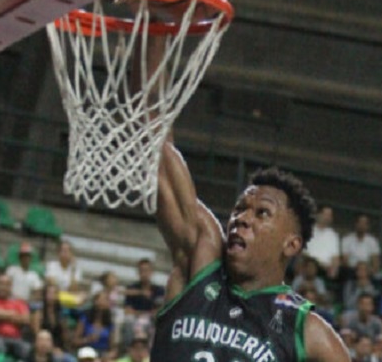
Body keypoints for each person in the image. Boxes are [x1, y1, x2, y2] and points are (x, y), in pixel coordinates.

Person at [149, 139, 348, 360]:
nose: (242, 218)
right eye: (240, 209)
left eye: (262, 213)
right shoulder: (200, 262)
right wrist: (157, 118)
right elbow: (162, 163)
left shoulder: (305, 330)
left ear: (291, 244)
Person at [0, 274, 32, 360]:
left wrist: (1, 315)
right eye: (1, 284)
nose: (3, 287)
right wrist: (13, 314)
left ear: (11, 287)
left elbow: (26, 319)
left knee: (27, 349)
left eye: (7, 285)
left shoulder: (19, 303)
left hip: (16, 339)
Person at [32, 283, 72, 362]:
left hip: (59, 347)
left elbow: (64, 335)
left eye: (54, 293)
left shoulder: (61, 314)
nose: (52, 296)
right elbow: (37, 334)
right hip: (42, 347)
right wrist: (51, 349)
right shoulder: (39, 313)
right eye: (49, 293)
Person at [74, 291, 116, 359]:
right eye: (105, 299)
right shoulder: (85, 319)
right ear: (96, 301)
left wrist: (109, 355)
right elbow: (75, 341)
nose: (107, 302)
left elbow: (112, 347)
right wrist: (87, 339)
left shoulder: (109, 323)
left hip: (103, 354)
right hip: (87, 353)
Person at [306, 204, 340, 280]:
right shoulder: (309, 230)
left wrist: (334, 268)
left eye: (330, 215)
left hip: (325, 270)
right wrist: (318, 263)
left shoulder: (333, 235)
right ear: (319, 214)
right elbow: (303, 252)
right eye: (326, 214)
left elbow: (335, 257)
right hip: (309, 265)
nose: (327, 217)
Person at [46, 241, 85, 306]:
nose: (65, 253)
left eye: (67, 251)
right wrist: (64, 293)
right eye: (63, 251)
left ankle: (67, 303)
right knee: (52, 291)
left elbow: (74, 290)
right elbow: (52, 284)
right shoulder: (52, 265)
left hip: (67, 296)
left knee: (83, 295)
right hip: (56, 296)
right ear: (58, 253)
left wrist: (73, 270)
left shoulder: (75, 268)